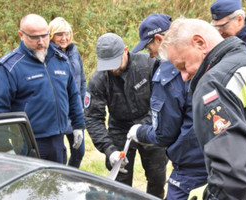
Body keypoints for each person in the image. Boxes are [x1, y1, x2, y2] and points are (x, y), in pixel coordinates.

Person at [159, 17, 246, 200]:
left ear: (199, 43)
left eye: (183, 65)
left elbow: (234, 178)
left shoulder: (214, 84)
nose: (184, 77)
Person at [128, 13, 207, 200]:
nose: (150, 54)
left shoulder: (167, 74)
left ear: (159, 39)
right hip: (219, 159)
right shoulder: (204, 58)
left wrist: (139, 132)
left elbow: (164, 133)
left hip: (190, 166)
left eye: (150, 47)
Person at [84, 33, 167, 198]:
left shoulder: (148, 64)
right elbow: (93, 118)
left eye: (115, 62)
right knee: (120, 183)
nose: (112, 69)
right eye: (108, 65)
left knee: (157, 177)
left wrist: (144, 125)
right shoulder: (99, 80)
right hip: (120, 129)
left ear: (125, 51)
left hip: (150, 125)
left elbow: (162, 100)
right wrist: (109, 150)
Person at [0, 14, 84, 164]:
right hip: (27, 145)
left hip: (57, 140)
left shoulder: (60, 60)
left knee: (56, 184)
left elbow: (73, 95)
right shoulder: (9, 68)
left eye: (45, 36)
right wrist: (5, 149)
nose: (41, 42)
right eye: (35, 37)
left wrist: (78, 125)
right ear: (21, 35)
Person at [49, 17, 86, 168]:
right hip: (58, 113)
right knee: (58, 156)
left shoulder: (74, 52)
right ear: (51, 36)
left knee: (79, 151)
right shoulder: (48, 55)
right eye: (59, 34)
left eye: (67, 33)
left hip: (75, 112)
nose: (64, 38)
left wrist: (83, 103)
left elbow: (82, 79)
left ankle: (70, 177)